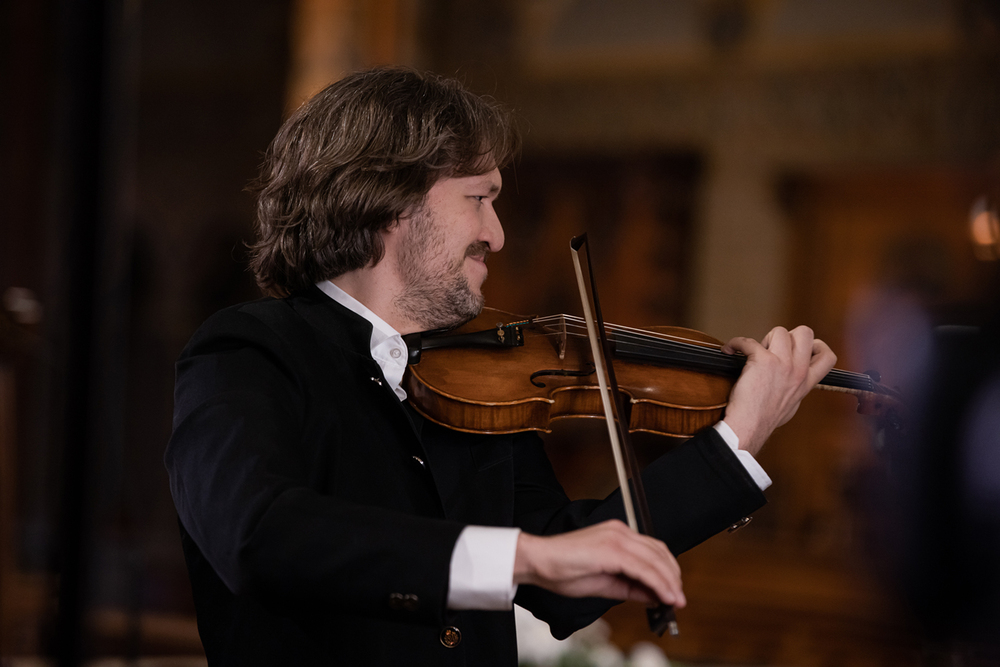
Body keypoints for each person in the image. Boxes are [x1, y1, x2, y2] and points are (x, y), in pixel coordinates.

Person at [165, 66, 836, 666]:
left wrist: (737, 439)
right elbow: (259, 534)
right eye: (479, 198)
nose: (498, 234)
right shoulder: (249, 351)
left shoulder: (478, 377)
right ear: (392, 198)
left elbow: (566, 576)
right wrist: (520, 555)